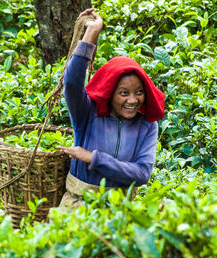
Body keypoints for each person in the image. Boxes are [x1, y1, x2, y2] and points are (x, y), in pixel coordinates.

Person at [57, 8, 165, 209]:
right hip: (77, 207)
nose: (132, 100)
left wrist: (93, 158)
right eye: (123, 93)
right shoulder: (88, 113)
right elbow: (71, 83)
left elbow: (141, 174)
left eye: (139, 92)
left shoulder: (147, 126)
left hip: (120, 211)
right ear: (109, 93)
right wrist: (91, 34)